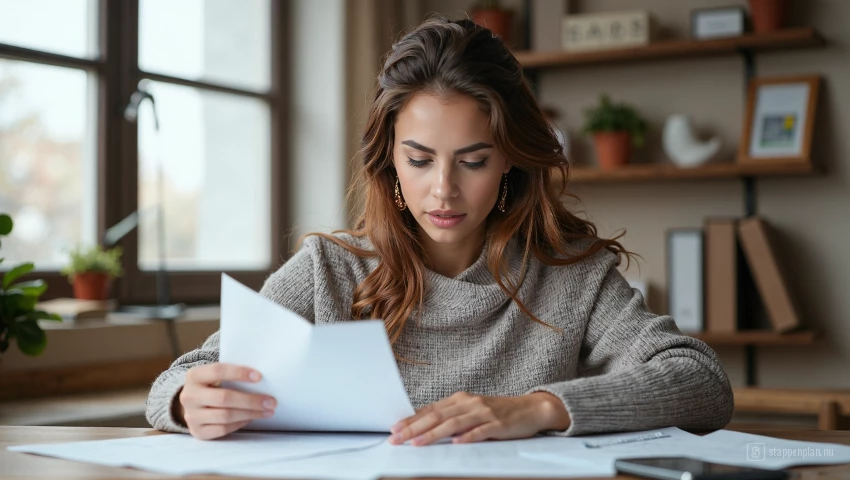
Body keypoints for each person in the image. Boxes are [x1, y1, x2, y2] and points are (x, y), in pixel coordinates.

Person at [145, 17, 733, 445]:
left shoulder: (568, 273)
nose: (444, 190)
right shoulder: (330, 269)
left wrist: (541, 406)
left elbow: (703, 382)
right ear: (389, 161)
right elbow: (177, 379)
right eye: (420, 160)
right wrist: (186, 399)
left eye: (473, 161)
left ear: (509, 162)